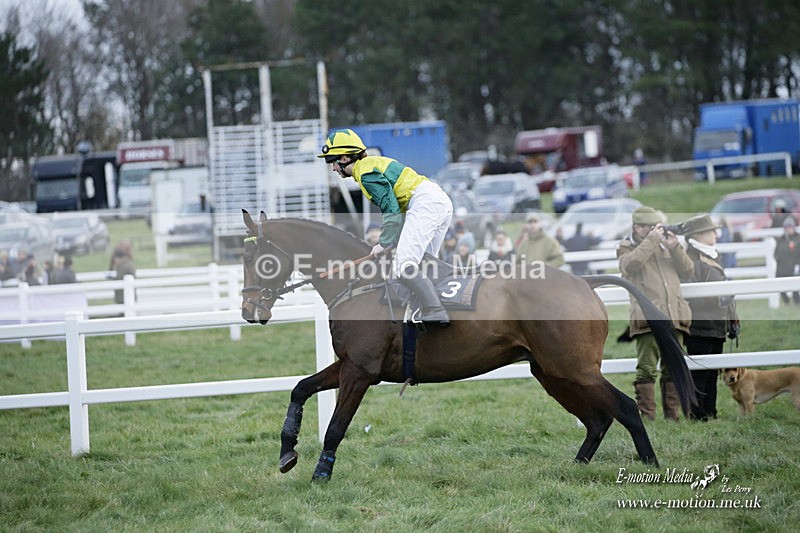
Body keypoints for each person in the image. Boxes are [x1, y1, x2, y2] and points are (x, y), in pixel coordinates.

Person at [319, 129, 453, 325]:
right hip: (436, 200)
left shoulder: (365, 173)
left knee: (404, 265)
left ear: (346, 157)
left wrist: (383, 243)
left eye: (333, 161)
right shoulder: (370, 164)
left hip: (425, 203)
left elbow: (391, 209)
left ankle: (436, 311)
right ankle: (425, 310)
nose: (333, 169)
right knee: (425, 263)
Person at [617, 206, 694, 421]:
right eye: (648, 227)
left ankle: (673, 417)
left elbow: (689, 271)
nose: (652, 231)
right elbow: (629, 266)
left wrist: (676, 247)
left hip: (674, 315)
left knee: (672, 369)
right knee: (647, 369)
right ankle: (648, 417)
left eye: (654, 227)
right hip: (647, 318)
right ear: (637, 227)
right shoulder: (626, 246)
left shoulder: (666, 246)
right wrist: (651, 241)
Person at [681, 214, 739, 421]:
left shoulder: (712, 255)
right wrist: (717, 300)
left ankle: (710, 411)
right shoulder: (691, 259)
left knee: (713, 371)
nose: (716, 234)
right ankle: (697, 413)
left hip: (717, 322)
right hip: (700, 323)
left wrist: (733, 318)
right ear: (698, 235)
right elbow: (689, 294)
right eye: (711, 231)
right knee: (699, 372)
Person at [774, 216, 800, 305]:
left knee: (795, 287)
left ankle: (797, 302)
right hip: (782, 267)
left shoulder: (798, 239)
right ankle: (786, 302)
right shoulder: (781, 240)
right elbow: (776, 253)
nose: (788, 229)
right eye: (787, 227)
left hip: (794, 266)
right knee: (779, 285)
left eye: (790, 227)